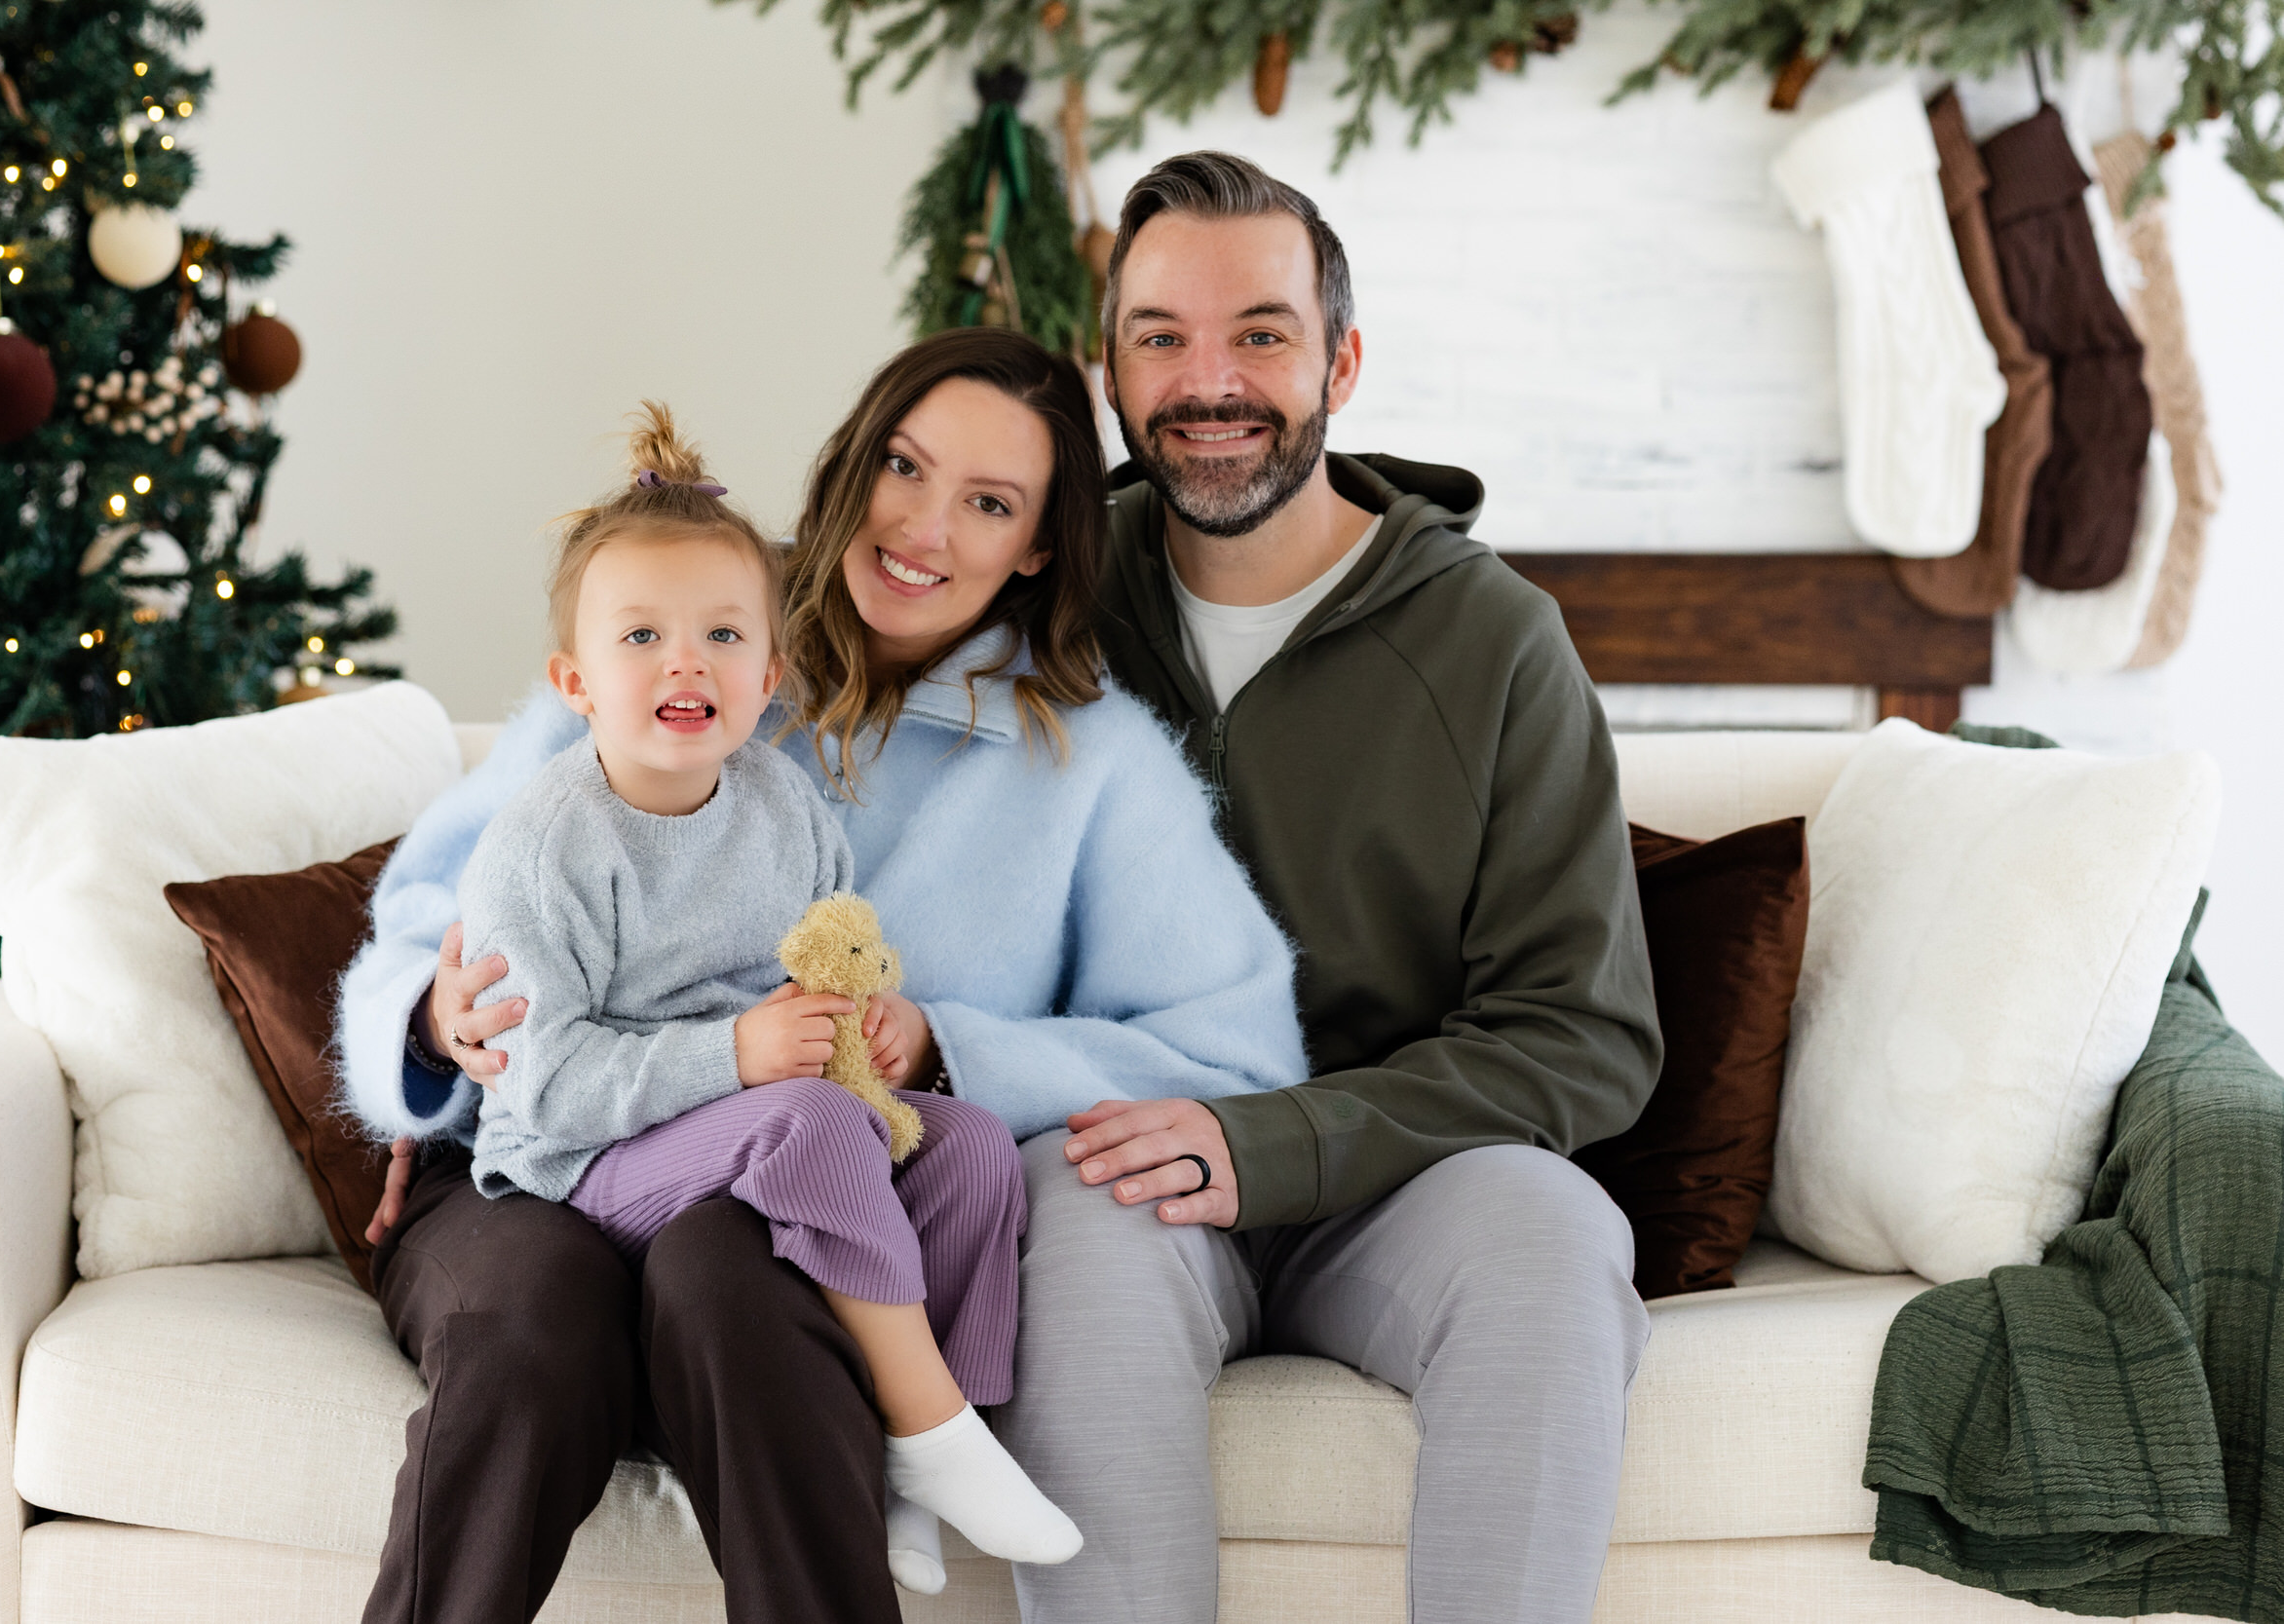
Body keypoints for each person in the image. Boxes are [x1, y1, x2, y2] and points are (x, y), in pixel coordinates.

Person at [335, 326, 1307, 1624]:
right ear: (854, 463)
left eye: (990, 501)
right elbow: (427, 903)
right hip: (538, 1154)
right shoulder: (678, 620)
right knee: (532, 1323)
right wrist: (433, 1011)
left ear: (1037, 545)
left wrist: (948, 1044)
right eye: (904, 466)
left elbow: (1238, 1048)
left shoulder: (1095, 764)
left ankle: (917, 1456)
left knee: (737, 1281)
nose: (922, 524)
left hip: (784, 1193)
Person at [987, 152, 1664, 1623]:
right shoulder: (1033, 610)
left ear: (1340, 358)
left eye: (1261, 334)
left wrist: (1285, 1141)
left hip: (1409, 1177)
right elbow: (757, 728)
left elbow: (1582, 1033)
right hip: (1121, 1163)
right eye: (1160, 336)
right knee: (1078, 1241)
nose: (1206, 379)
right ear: (1109, 368)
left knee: (1556, 1237)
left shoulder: (1496, 640)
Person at [451, 401, 1080, 1573]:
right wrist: (737, 1057)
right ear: (573, 679)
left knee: (970, 1143)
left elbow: (824, 962)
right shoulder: (545, 846)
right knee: (810, 1118)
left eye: (723, 635)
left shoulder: (784, 807)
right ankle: (932, 1426)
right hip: (585, 1161)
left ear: (769, 670)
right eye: (640, 637)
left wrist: (868, 1028)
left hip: (756, 1126)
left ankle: (909, 1449)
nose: (686, 660)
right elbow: (540, 1079)